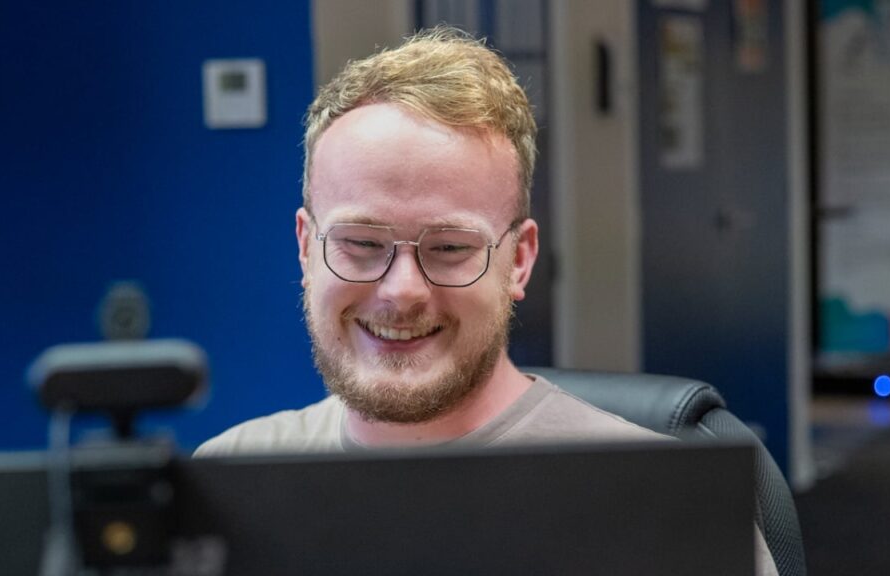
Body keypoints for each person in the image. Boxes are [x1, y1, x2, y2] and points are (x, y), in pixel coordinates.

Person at [195, 26, 778, 575]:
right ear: (306, 249)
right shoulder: (223, 487)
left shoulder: (663, 505)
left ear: (519, 260)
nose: (401, 291)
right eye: (362, 244)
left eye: (450, 247)